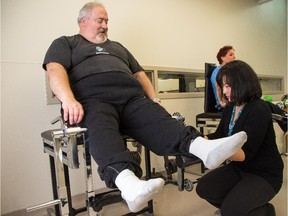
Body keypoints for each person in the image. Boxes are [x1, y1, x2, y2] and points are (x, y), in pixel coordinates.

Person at [43, 2, 247, 213]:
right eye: (100, 20)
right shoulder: (67, 43)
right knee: (98, 122)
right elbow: (54, 70)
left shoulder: (118, 47)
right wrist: (68, 99)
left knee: (158, 117)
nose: (105, 25)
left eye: (107, 21)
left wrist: (153, 98)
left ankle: (203, 149)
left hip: (132, 99)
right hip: (93, 100)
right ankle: (129, 184)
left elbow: (139, 74)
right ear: (83, 21)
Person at [196, 60, 284, 216]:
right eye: (223, 86)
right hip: (239, 168)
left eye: (228, 86)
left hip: (264, 173)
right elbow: (219, 135)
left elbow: (245, 153)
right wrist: (197, 141)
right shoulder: (231, 107)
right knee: (204, 187)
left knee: (231, 210)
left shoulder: (258, 109)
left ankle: (265, 211)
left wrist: (212, 150)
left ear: (242, 83)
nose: (224, 91)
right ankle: (241, 209)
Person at [210, 45, 236, 110]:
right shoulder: (218, 71)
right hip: (224, 104)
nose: (234, 57)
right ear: (222, 58)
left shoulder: (231, 71)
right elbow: (218, 87)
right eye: (231, 55)